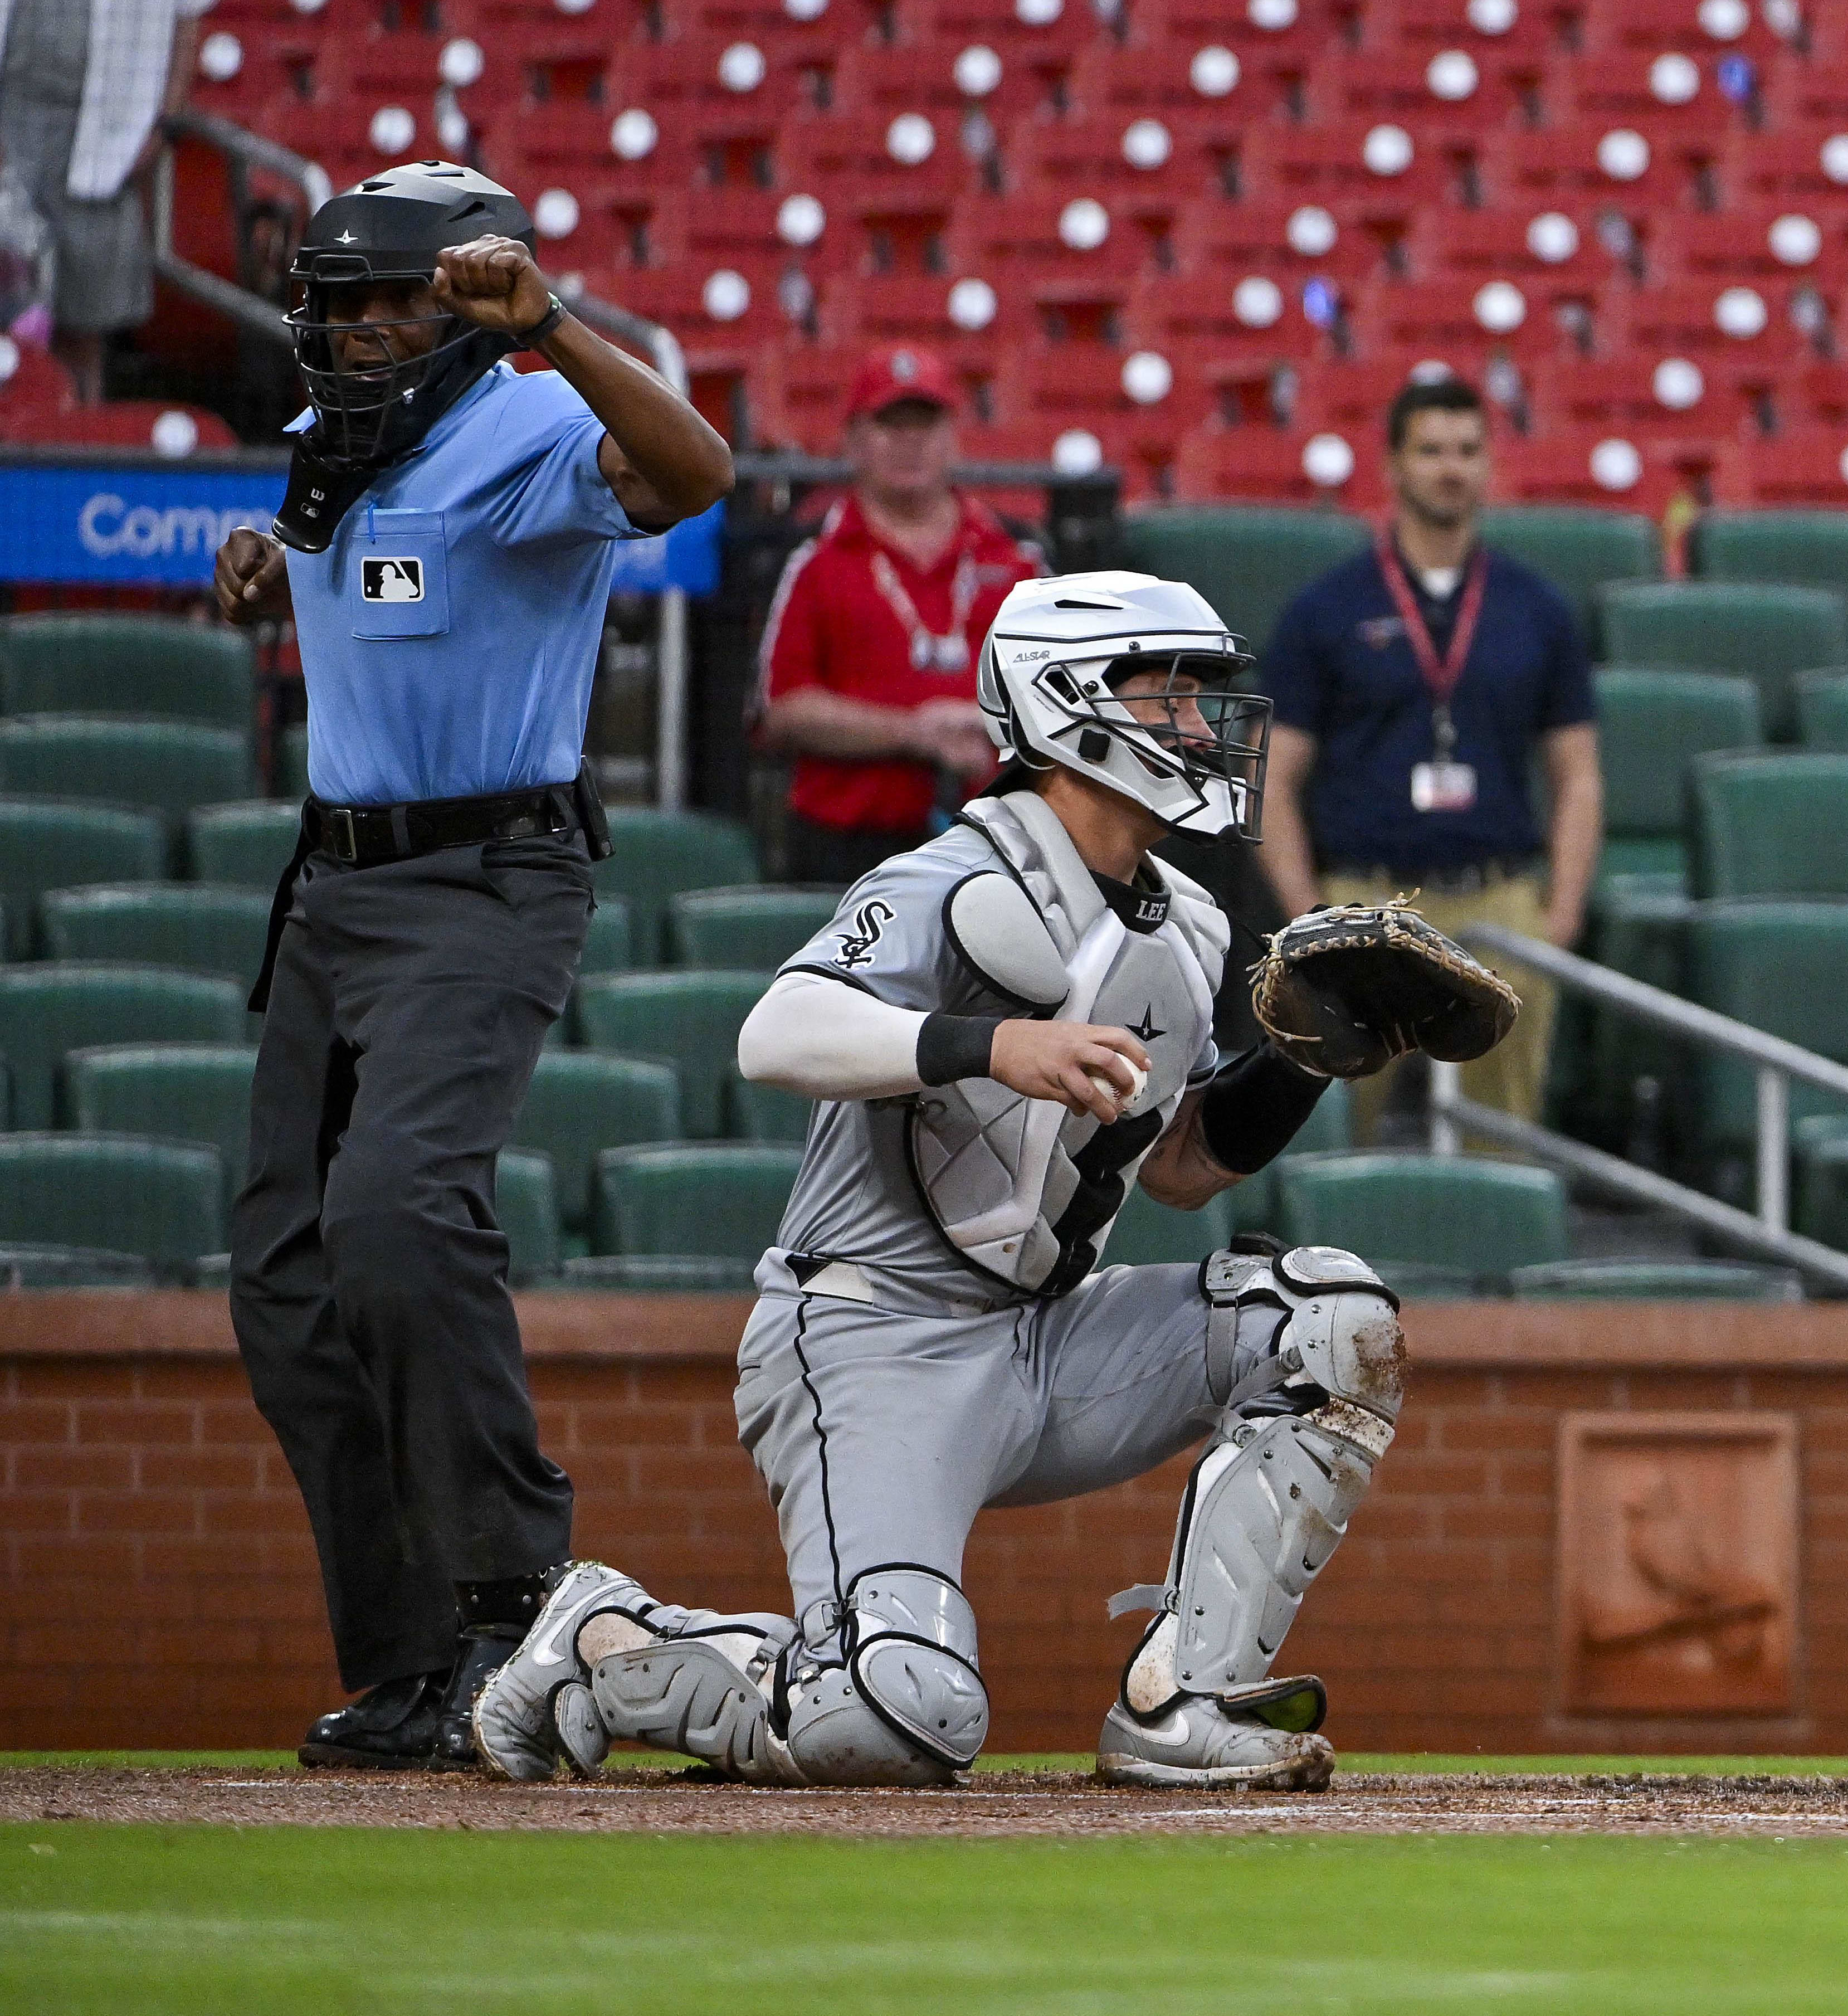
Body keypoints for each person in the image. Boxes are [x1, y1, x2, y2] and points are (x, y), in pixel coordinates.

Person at [467, 572, 1403, 1791]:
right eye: (1166, 689)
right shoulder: (952, 874)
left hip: (1045, 1337)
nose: (1199, 721)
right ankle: (606, 1641)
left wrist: (1305, 1063)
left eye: (1202, 693)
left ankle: (1185, 1706)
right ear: (1068, 706)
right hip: (868, 1331)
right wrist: (989, 1042)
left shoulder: (1191, 923)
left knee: (1334, 1325)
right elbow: (778, 1032)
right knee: (897, 1719)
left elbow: (1175, 1168)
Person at [207, 160, 734, 1770]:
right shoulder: (323, 452)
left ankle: (520, 1597)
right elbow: (362, 581)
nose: (356, 330)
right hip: (336, 886)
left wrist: (556, 328)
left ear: (458, 303)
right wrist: (254, 565)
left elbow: (698, 469)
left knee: (398, 1213)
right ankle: (414, 1660)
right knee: (287, 1275)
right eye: (336, 302)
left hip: (490, 873)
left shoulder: (524, 424)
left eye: (387, 302)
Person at [1255, 374, 1600, 1134]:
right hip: (1363, 897)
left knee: (1501, 1137)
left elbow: (1576, 774)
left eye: (1468, 450)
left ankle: (1499, 1255)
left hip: (1498, 900)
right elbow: (1273, 779)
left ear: (1489, 465)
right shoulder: (1328, 608)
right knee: (1337, 1129)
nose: (1452, 467)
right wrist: (1307, 911)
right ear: (1393, 466)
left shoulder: (1537, 609)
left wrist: (1562, 912)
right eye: (1432, 450)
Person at [750, 345, 1042, 886]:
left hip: (998, 838)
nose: (910, 442)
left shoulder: (1017, 554)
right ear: (854, 440)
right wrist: (915, 733)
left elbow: (1063, 691)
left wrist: (984, 722)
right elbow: (783, 709)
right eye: (890, 424)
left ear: (954, 436)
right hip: (847, 845)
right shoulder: (813, 558)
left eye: (925, 425)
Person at [0, 0, 206, 398]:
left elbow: (188, 21)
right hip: (15, 118)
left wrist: (165, 125)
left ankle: (78, 431)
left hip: (107, 136)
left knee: (84, 326)